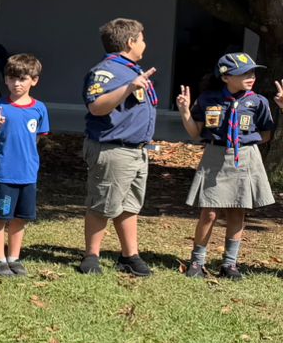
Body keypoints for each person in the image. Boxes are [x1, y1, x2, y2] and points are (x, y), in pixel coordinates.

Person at [176, 52, 275, 279]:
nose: (251, 77)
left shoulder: (258, 102)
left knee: (237, 210)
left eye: (252, 72)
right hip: (215, 156)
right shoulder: (208, 99)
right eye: (244, 73)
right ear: (225, 77)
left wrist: (243, 143)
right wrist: (184, 112)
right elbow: (195, 132)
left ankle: (230, 264)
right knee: (209, 212)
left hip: (244, 157)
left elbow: (266, 134)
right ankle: (197, 262)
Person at [79, 18, 159, 276]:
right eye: (142, 38)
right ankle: (91, 255)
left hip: (135, 150)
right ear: (130, 42)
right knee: (102, 203)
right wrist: (127, 88)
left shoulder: (133, 70)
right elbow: (97, 106)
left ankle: (129, 255)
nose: (145, 43)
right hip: (113, 149)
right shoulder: (107, 71)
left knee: (129, 204)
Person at [0, 54, 49, 278]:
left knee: (20, 217)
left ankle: (14, 257)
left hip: (27, 173)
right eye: (12, 78)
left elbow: (37, 138)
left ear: (34, 80)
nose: (17, 83)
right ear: (6, 80)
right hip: (3, 172)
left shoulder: (39, 109)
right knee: (0, 216)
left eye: (22, 79)